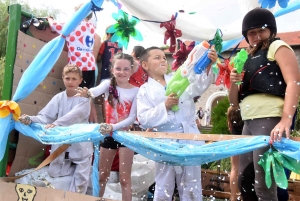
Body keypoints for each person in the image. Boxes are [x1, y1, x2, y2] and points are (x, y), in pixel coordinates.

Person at [228, 8, 299, 201]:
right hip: (248, 121)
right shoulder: (245, 58)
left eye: (261, 30)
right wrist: (233, 80)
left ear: (271, 31)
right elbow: (234, 102)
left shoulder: (278, 47)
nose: (256, 36)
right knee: (245, 179)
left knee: (264, 182)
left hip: (269, 118)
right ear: (246, 36)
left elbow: (294, 82)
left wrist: (286, 119)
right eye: (251, 33)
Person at [137, 46, 217, 200]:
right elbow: (143, 119)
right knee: (163, 185)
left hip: (189, 137)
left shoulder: (178, 78)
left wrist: (208, 66)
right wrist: (164, 107)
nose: (162, 60)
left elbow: (198, 87)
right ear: (145, 65)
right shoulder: (145, 90)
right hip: (165, 140)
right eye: (156, 57)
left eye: (163, 57)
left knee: (191, 184)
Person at [19, 64, 93, 194]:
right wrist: (30, 119)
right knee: (54, 172)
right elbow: (45, 116)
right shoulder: (59, 98)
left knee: (80, 182)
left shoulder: (85, 98)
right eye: (68, 78)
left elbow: (75, 115)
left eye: (74, 79)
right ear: (63, 78)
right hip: (61, 143)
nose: (71, 82)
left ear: (80, 80)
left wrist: (57, 123)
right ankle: (76, 173)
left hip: (80, 143)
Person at [76, 53, 138, 201]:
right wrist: (87, 93)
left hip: (126, 137)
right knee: (102, 176)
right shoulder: (107, 84)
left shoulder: (136, 90)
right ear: (112, 69)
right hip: (108, 136)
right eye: (118, 68)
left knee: (124, 179)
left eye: (125, 69)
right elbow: (94, 91)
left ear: (131, 70)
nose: (121, 72)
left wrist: (113, 127)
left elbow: (132, 118)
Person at [47, 4, 97, 89]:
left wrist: (49, 19)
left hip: (78, 67)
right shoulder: (92, 28)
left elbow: (56, 26)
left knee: (74, 94)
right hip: (91, 66)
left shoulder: (74, 25)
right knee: (86, 94)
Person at [227, 106, 244, 201]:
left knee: (234, 169)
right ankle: (242, 195)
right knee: (244, 168)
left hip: (234, 140)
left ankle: (233, 196)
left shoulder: (230, 109)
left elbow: (230, 126)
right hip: (246, 139)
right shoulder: (246, 107)